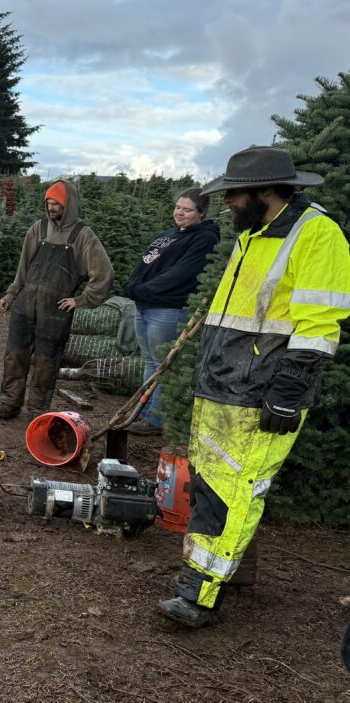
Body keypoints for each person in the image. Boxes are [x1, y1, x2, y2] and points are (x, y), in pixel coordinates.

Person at [158, 146, 350, 627]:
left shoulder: (317, 235)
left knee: (234, 491)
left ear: (264, 191)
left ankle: (198, 596)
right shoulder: (254, 233)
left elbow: (320, 325)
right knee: (209, 485)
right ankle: (217, 578)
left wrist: (289, 392)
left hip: (261, 392)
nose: (226, 203)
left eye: (233, 194)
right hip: (221, 384)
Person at [0, 180, 114, 419]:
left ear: (68, 205)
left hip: (55, 311)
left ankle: (37, 409)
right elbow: (23, 268)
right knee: (14, 355)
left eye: (56, 203)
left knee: (47, 362)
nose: (51, 207)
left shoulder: (83, 236)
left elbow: (104, 273)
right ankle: (9, 402)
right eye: (48, 203)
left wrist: (81, 300)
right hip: (25, 305)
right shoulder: (38, 229)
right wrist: (11, 294)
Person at [120, 188, 221, 435]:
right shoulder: (171, 234)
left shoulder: (204, 238)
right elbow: (147, 262)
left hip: (168, 309)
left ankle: (155, 420)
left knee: (164, 364)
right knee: (151, 362)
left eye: (187, 210)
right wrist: (132, 285)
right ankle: (143, 414)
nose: (180, 213)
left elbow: (182, 273)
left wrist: (143, 290)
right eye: (178, 207)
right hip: (145, 306)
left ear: (202, 212)